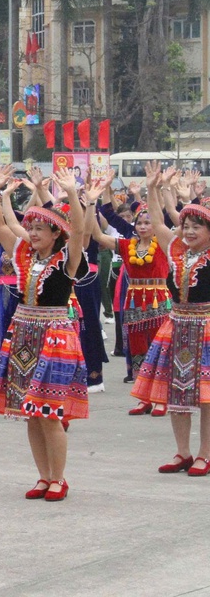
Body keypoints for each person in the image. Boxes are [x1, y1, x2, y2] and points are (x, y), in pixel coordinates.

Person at [0, 164, 88, 502]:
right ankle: (43, 476)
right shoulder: (24, 256)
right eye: (30, 227)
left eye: (39, 228)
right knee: (31, 413)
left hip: (55, 336)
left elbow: (79, 229)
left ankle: (59, 478)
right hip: (23, 335)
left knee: (49, 413)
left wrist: (71, 192)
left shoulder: (68, 258)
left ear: (56, 233)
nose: (32, 233)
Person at [131, 165, 210, 475]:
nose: (188, 231)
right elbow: (157, 220)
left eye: (196, 227)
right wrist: (152, 188)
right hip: (177, 326)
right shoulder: (176, 250)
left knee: (206, 396)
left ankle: (205, 454)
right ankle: (183, 452)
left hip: (206, 326)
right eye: (185, 226)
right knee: (177, 391)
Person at [86, 176, 171, 416]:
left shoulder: (163, 245)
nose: (142, 226)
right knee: (138, 350)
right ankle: (144, 398)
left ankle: (162, 398)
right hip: (133, 303)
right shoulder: (127, 246)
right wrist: (91, 205)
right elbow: (98, 236)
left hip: (158, 302)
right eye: (139, 223)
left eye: (147, 222)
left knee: (160, 350)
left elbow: (160, 218)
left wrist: (153, 190)